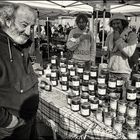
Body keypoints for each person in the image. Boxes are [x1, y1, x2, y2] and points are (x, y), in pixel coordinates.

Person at [0, 3, 39, 140]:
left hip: (30, 119)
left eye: (32, 27)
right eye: (24, 25)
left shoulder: (21, 44)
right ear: (8, 21)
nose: (29, 32)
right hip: (11, 129)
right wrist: (8, 121)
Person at [105, 13, 138, 86]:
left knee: (122, 93)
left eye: (118, 23)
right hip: (111, 70)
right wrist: (105, 54)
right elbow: (108, 53)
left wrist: (118, 39)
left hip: (124, 72)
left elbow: (129, 52)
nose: (115, 26)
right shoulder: (110, 36)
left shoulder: (131, 35)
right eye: (113, 24)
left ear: (123, 23)